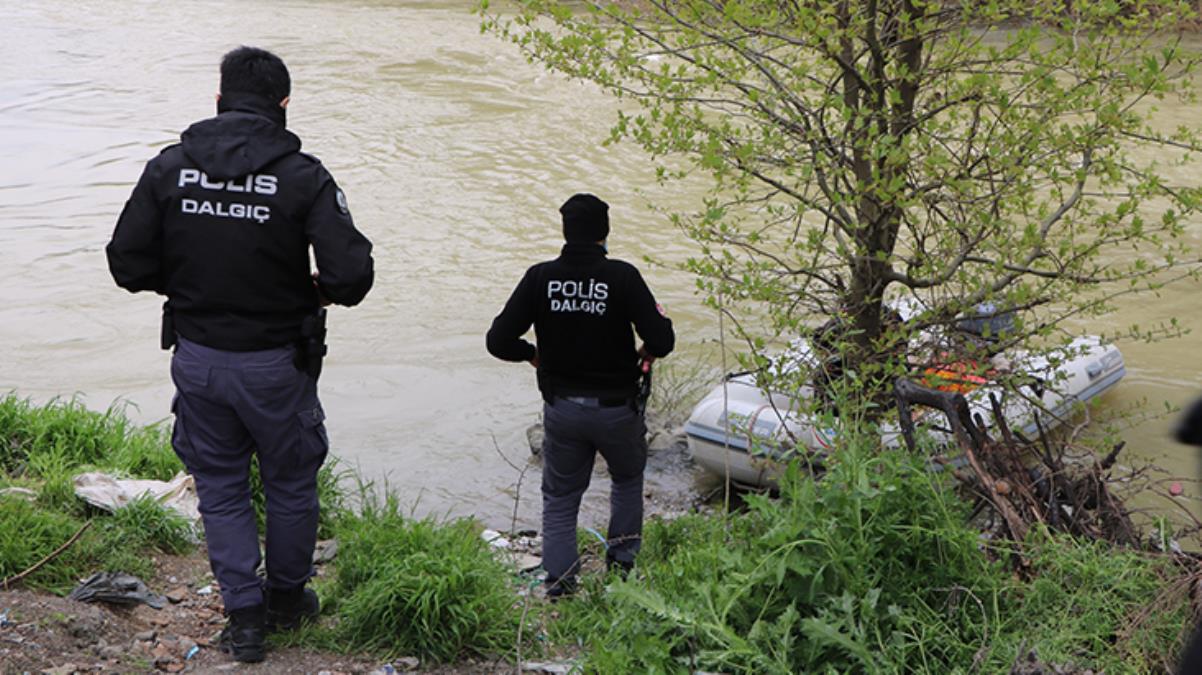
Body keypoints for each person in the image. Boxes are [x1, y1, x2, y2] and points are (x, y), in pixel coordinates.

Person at [106, 46, 373, 663]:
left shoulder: (170, 168)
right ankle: (287, 600)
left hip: (198, 357)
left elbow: (126, 263)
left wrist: (188, 284)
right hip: (277, 363)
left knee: (221, 488)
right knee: (290, 483)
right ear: (284, 104)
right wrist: (311, 291)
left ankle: (244, 618)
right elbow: (352, 276)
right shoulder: (304, 176)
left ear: (219, 99)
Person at [486, 193, 675, 597]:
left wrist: (532, 354)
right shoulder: (623, 277)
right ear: (605, 233)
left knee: (560, 496)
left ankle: (560, 583)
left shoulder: (540, 278)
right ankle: (621, 572)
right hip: (618, 410)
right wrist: (647, 353)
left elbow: (498, 340)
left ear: (565, 231)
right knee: (627, 481)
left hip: (563, 410)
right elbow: (663, 339)